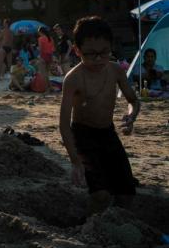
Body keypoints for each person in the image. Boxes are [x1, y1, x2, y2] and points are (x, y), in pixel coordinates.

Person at [59, 16, 140, 214]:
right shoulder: (73, 79)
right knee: (100, 195)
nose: (98, 59)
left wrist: (131, 116)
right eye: (90, 54)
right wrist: (75, 161)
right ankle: (91, 227)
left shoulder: (116, 71)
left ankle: (119, 225)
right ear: (77, 51)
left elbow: (133, 100)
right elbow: (63, 124)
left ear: (111, 48)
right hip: (83, 135)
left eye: (104, 53)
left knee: (127, 193)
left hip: (108, 132)